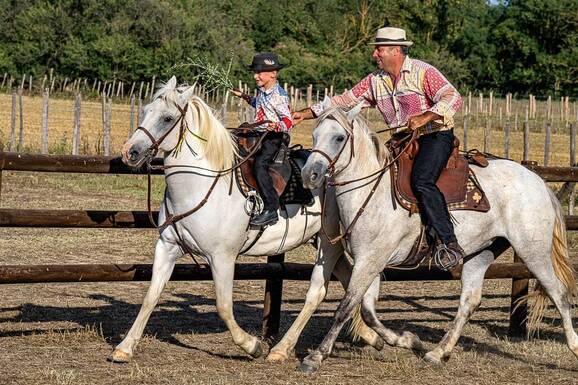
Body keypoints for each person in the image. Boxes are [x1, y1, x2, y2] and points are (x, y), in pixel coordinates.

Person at [293, 26, 465, 269]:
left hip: (434, 136)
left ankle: (449, 243)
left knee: (422, 181)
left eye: (379, 49)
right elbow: (343, 101)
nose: (375, 54)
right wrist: (305, 113)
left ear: (396, 50)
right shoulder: (375, 81)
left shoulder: (423, 72)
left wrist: (425, 116)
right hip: (401, 140)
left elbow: (452, 97)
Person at [231, 52, 293, 226]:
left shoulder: (279, 96)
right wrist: (243, 96)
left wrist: (277, 126)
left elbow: (288, 120)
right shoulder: (262, 92)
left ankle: (271, 209)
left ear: (273, 74)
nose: (255, 76)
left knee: (260, 165)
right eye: (255, 72)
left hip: (272, 138)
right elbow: (257, 104)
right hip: (258, 133)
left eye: (259, 72)